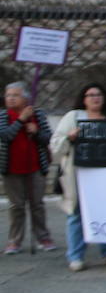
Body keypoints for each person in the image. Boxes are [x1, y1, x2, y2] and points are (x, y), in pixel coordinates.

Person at [50, 83, 106, 270]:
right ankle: (75, 256)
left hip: (105, 174)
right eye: (90, 95)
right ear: (84, 99)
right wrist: (69, 138)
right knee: (76, 214)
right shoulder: (74, 117)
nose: (95, 98)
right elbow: (55, 144)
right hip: (78, 173)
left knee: (105, 213)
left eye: (98, 94)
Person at [3, 82, 54, 254]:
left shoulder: (37, 114)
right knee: (16, 206)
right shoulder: (3, 116)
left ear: (25, 97)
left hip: (35, 166)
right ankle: (14, 240)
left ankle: (43, 237)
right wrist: (21, 120)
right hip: (11, 168)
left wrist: (37, 132)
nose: (10, 98)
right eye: (8, 95)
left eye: (15, 95)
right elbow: (5, 136)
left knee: (37, 205)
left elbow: (48, 138)